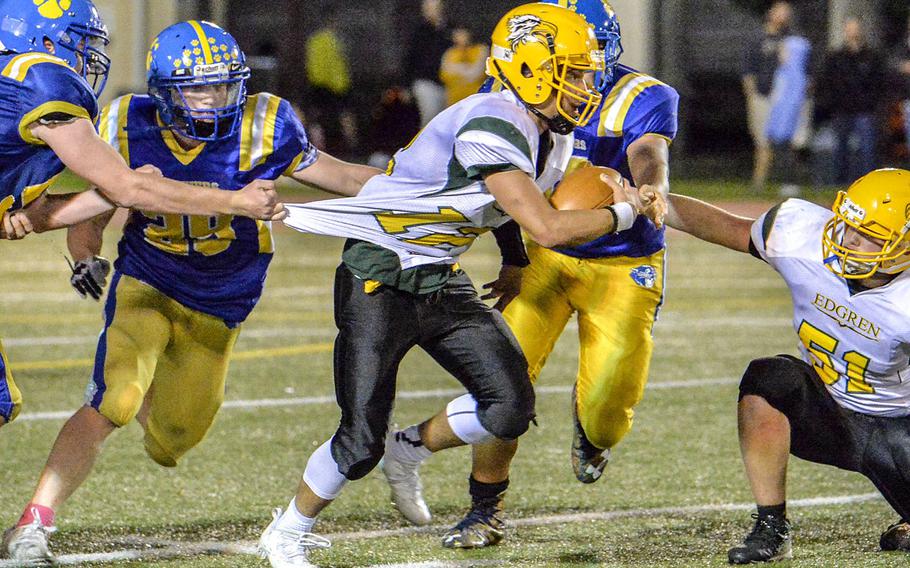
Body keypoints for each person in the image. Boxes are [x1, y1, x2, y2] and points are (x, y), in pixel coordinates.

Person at [257, 4, 664, 566]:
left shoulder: (552, 134)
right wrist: (622, 214)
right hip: (380, 275)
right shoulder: (494, 121)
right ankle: (287, 531)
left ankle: (411, 447)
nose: (587, 87)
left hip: (439, 276)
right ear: (531, 70)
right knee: (358, 444)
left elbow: (500, 205)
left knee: (510, 405)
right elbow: (544, 222)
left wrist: (514, 262)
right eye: (574, 73)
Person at [1, 21, 379, 564]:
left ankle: (155, 394)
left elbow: (342, 177)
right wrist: (87, 254)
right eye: (195, 89)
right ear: (163, 92)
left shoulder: (266, 123)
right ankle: (33, 523)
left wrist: (412, 180)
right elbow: (103, 198)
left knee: (173, 441)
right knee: (112, 400)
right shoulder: (128, 122)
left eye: (221, 86)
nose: (211, 100)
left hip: (223, 303)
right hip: (147, 279)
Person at [381, 0, 678, 549]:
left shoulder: (642, 95)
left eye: (586, 56)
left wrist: (648, 187)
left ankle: (590, 431)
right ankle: (483, 507)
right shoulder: (514, 95)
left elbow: (648, 150)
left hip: (623, 259)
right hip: (549, 253)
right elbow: (501, 186)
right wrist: (515, 257)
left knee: (608, 416)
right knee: (500, 381)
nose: (583, 72)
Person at [0, 0, 282, 432]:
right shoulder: (40, 81)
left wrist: (112, 190)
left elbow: (43, 213)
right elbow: (131, 189)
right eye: (77, 45)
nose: (83, 59)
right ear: (38, 41)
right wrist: (236, 202)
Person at [664, 168, 910, 563]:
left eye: (869, 236)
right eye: (848, 226)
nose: (849, 239)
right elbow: (732, 228)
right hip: (829, 414)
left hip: (898, 430)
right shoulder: (803, 238)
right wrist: (656, 204)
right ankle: (771, 527)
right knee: (770, 378)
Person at [817, 17, 884, 184]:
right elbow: (828, 81)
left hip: (864, 109)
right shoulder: (836, 56)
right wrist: (832, 102)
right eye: (849, 27)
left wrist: (872, 102)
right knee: (840, 148)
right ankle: (839, 182)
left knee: (867, 149)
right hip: (842, 109)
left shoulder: (871, 56)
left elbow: (879, 81)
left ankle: (868, 182)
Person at [743, 1, 795, 191]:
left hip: (784, 99)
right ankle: (759, 182)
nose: (783, 16)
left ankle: (787, 181)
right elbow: (748, 72)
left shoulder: (791, 40)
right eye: (780, 12)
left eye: (786, 12)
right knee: (762, 141)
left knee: (785, 141)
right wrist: (751, 96)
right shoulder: (758, 39)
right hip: (762, 96)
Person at [404, 0, 451, 126]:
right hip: (426, 81)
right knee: (430, 120)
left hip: (448, 82)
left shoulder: (449, 29)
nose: (431, 11)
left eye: (435, 7)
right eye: (428, 8)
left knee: (448, 121)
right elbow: (410, 59)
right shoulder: (419, 31)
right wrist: (406, 86)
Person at [439, 27, 488, 106]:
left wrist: (457, 69)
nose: (460, 37)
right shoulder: (450, 53)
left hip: (475, 97)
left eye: (463, 34)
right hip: (454, 99)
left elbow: (477, 74)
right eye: (457, 34)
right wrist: (466, 68)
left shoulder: (481, 50)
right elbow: (445, 74)